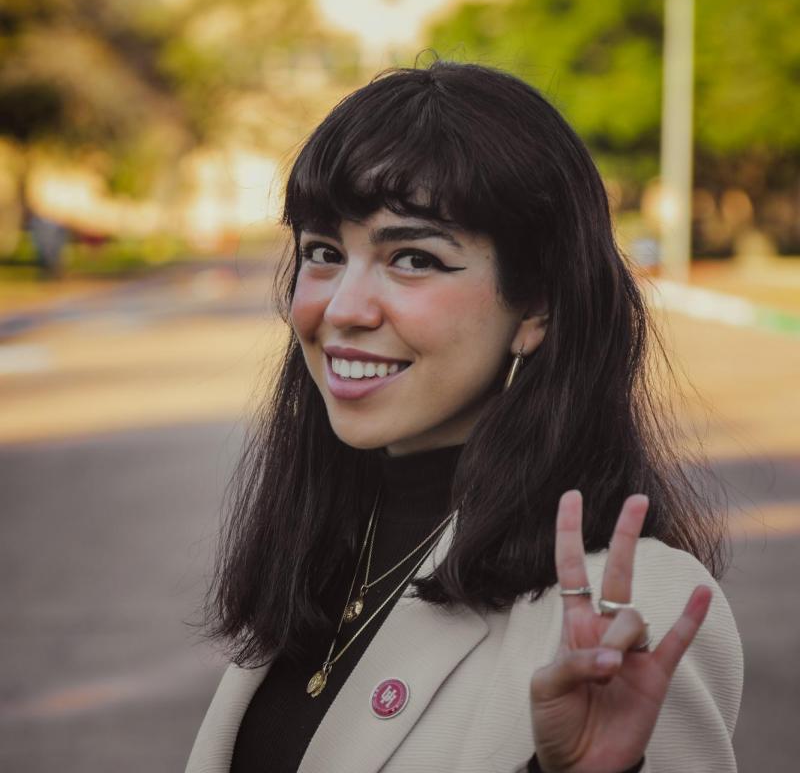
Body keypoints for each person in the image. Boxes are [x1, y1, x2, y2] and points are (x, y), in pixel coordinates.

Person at [186, 61, 742, 773]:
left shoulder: (627, 609)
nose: (342, 308)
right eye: (323, 253)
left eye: (413, 257)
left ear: (536, 307)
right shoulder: (325, 552)